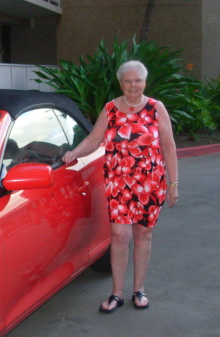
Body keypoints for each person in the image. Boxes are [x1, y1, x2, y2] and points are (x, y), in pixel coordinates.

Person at [62, 60, 178, 313]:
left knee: (143, 235)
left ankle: (139, 289)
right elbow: (94, 139)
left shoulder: (156, 108)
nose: (133, 85)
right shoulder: (111, 109)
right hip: (119, 183)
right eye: (128, 80)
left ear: (145, 82)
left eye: (138, 80)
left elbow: (168, 146)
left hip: (150, 184)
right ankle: (116, 293)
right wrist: (75, 152)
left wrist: (173, 183)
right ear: (121, 83)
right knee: (119, 236)